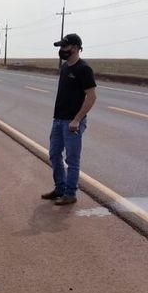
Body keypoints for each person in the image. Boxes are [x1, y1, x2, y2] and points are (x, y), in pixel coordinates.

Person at [41, 33, 97, 205]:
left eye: (65, 46)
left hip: (72, 122)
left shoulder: (84, 69)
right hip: (58, 119)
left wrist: (77, 119)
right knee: (54, 154)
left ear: (75, 47)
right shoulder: (65, 67)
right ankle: (60, 187)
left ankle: (70, 193)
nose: (62, 50)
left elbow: (91, 97)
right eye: (61, 47)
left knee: (72, 159)